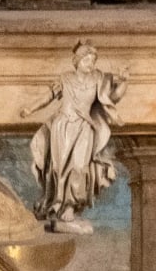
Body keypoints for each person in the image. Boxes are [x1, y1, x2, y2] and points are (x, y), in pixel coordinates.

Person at [24, 43, 127, 233]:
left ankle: (70, 207)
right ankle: (57, 207)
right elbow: (48, 96)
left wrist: (124, 82)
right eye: (86, 60)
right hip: (61, 126)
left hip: (84, 127)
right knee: (56, 167)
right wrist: (30, 108)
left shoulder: (98, 78)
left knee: (80, 167)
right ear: (77, 61)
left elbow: (113, 98)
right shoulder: (65, 78)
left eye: (93, 60)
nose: (90, 63)